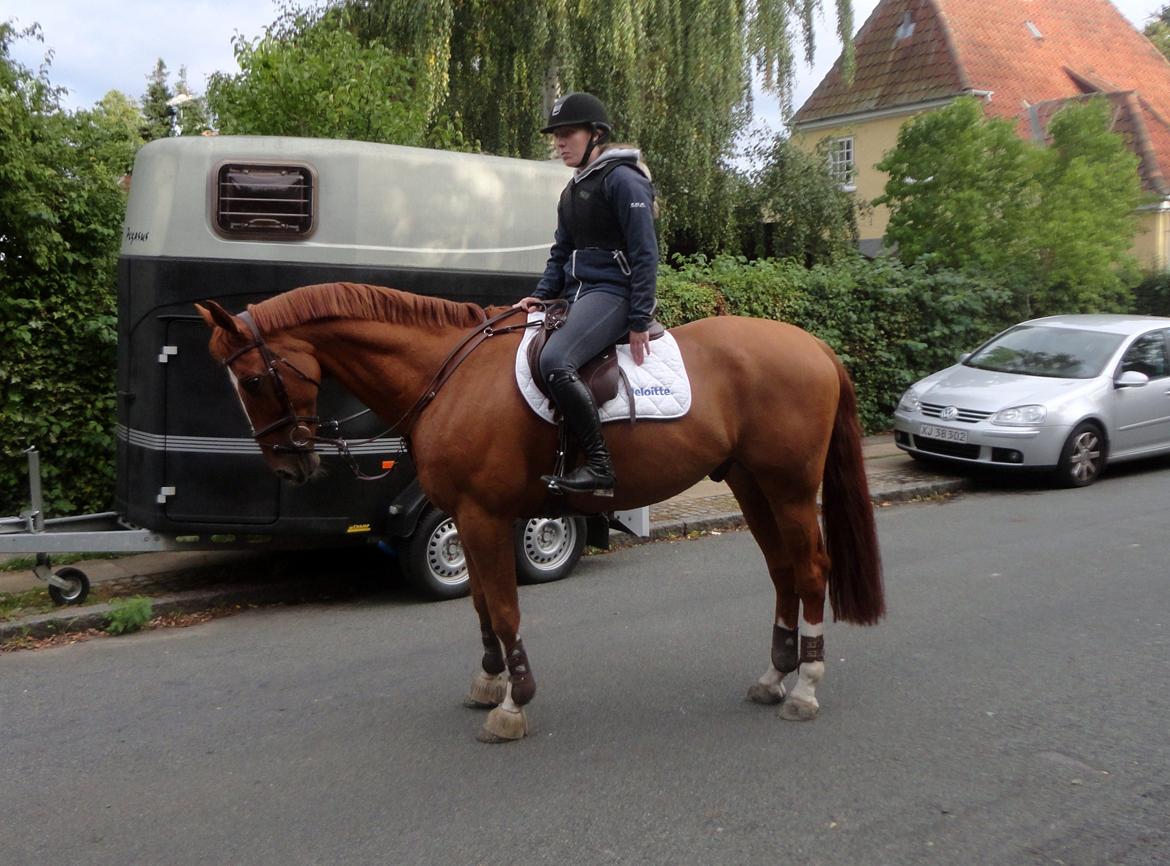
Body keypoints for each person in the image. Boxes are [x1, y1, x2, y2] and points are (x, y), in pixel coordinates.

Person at [516, 92, 659, 496]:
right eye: (556, 136)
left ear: (596, 134)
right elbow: (561, 252)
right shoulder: (573, 189)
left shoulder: (623, 180)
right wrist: (541, 296)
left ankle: (599, 466)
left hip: (613, 292)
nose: (559, 143)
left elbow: (646, 254)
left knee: (556, 360)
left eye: (567, 134)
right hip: (578, 293)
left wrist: (638, 319)